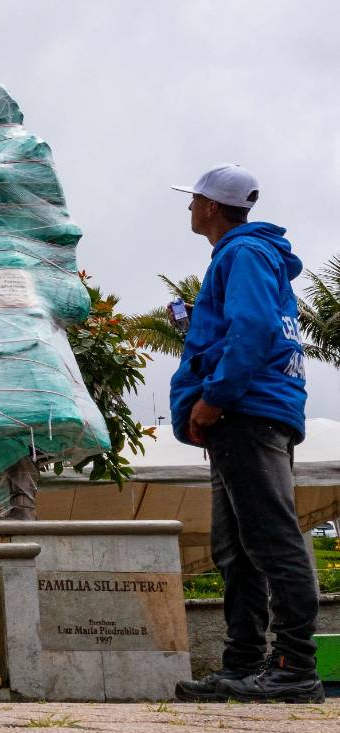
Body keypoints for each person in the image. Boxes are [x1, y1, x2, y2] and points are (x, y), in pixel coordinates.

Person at [170, 164, 323, 703]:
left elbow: (255, 329)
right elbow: (249, 324)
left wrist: (214, 399)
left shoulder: (243, 253)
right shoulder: (248, 257)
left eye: (193, 200)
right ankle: (242, 665)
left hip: (246, 413)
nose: (189, 207)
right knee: (235, 548)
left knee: (272, 541)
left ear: (212, 206)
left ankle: (295, 668)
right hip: (249, 412)